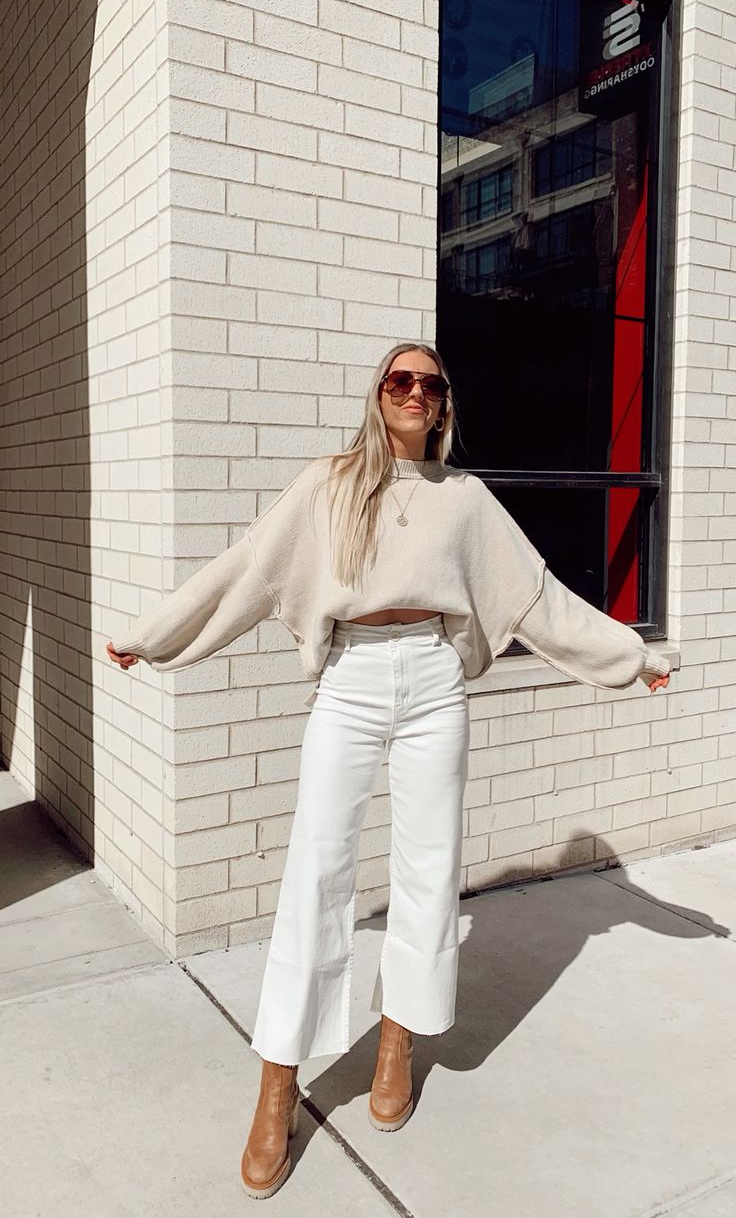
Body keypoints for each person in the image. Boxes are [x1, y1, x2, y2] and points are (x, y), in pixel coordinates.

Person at [107, 342, 671, 1200]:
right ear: (377, 395)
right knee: (318, 872)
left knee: (427, 869)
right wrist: (155, 636)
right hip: (353, 678)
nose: (414, 393)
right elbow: (247, 571)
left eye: (430, 384)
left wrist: (630, 656)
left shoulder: (466, 500)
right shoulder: (330, 484)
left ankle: (398, 1040)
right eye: (399, 380)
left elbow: (537, 601)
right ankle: (275, 1081)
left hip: (436, 680)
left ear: (444, 405)